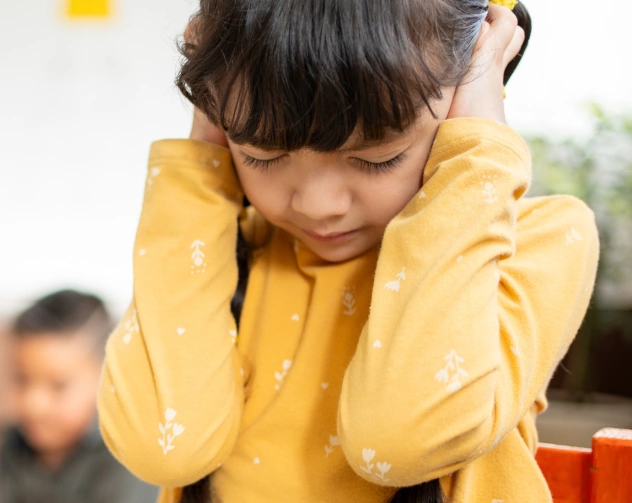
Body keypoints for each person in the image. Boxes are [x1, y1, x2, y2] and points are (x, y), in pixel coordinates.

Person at [97, 1, 599, 502]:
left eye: (377, 159)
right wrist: (203, 153)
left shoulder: (543, 239)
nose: (318, 206)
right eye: (262, 155)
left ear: (469, 94)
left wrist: (475, 160)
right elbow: (163, 450)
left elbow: (400, 443)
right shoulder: (215, 250)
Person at [0, 289, 159, 503]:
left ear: (107, 380)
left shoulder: (127, 459)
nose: (34, 405)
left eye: (58, 386)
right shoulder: (13, 446)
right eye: (22, 379)